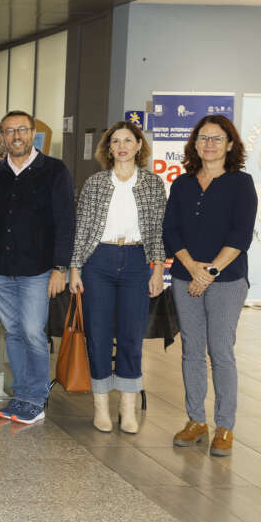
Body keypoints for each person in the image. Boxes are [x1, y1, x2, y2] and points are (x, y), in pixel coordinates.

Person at [164, 115, 256, 457]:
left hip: (227, 280)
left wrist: (210, 272)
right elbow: (170, 231)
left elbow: (241, 235)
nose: (209, 144)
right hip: (186, 277)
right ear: (195, 143)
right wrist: (192, 268)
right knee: (191, 350)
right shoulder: (182, 184)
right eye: (203, 138)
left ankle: (225, 426)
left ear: (230, 145)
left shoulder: (241, 183)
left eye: (217, 138)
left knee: (220, 350)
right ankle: (196, 421)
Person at [69, 121, 166, 435]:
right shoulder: (95, 183)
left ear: (139, 145)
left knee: (131, 336)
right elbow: (81, 228)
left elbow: (158, 231)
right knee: (97, 334)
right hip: (98, 261)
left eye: (128, 140)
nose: (122, 146)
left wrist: (158, 269)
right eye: (115, 141)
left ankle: (127, 406)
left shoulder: (152, 184)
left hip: (137, 261)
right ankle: (100, 406)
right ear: (108, 148)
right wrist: (74, 268)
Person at [0, 109, 74, 425]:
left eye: (22, 129)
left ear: (33, 133)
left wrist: (61, 267)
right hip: (0, 267)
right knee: (13, 332)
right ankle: (20, 393)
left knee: (33, 332)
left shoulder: (55, 170)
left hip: (38, 269)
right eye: (9, 131)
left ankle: (36, 397)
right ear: (2, 137)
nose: (16, 136)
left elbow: (66, 222)